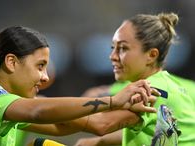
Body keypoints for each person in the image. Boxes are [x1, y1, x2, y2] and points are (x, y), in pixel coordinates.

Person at [0, 26, 157, 146]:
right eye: (40, 66)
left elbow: (97, 124)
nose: (45, 78)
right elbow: (37, 111)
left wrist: (144, 115)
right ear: (11, 62)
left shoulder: (9, 107)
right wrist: (112, 101)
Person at [74, 12, 195, 146]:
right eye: (113, 47)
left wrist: (47, 114)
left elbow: (102, 124)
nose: (112, 56)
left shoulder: (151, 90)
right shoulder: (165, 84)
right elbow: (147, 130)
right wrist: (99, 142)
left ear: (151, 55)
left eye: (123, 48)